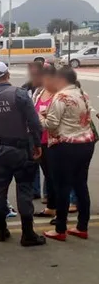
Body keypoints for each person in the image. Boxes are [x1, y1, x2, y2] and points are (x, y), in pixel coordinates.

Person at [0, 61, 46, 247]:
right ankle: (27, 234)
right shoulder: (19, 94)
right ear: (8, 75)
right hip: (21, 149)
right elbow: (34, 122)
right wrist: (37, 144)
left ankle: (1, 230)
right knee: (25, 189)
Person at [39, 67, 96, 241]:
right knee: (80, 185)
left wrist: (40, 116)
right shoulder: (82, 94)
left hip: (64, 146)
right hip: (86, 144)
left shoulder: (61, 96)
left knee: (62, 187)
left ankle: (60, 229)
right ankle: (82, 226)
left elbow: (52, 124)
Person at [33, 63, 58, 220]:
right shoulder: (39, 92)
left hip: (55, 140)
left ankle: (59, 211)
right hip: (40, 139)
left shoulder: (59, 93)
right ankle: (51, 207)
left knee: (57, 176)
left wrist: (43, 117)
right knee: (49, 175)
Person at [22, 61, 45, 198]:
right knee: (33, 161)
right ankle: (35, 191)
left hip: (48, 130)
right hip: (31, 130)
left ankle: (49, 194)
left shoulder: (50, 88)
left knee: (48, 166)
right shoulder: (25, 88)